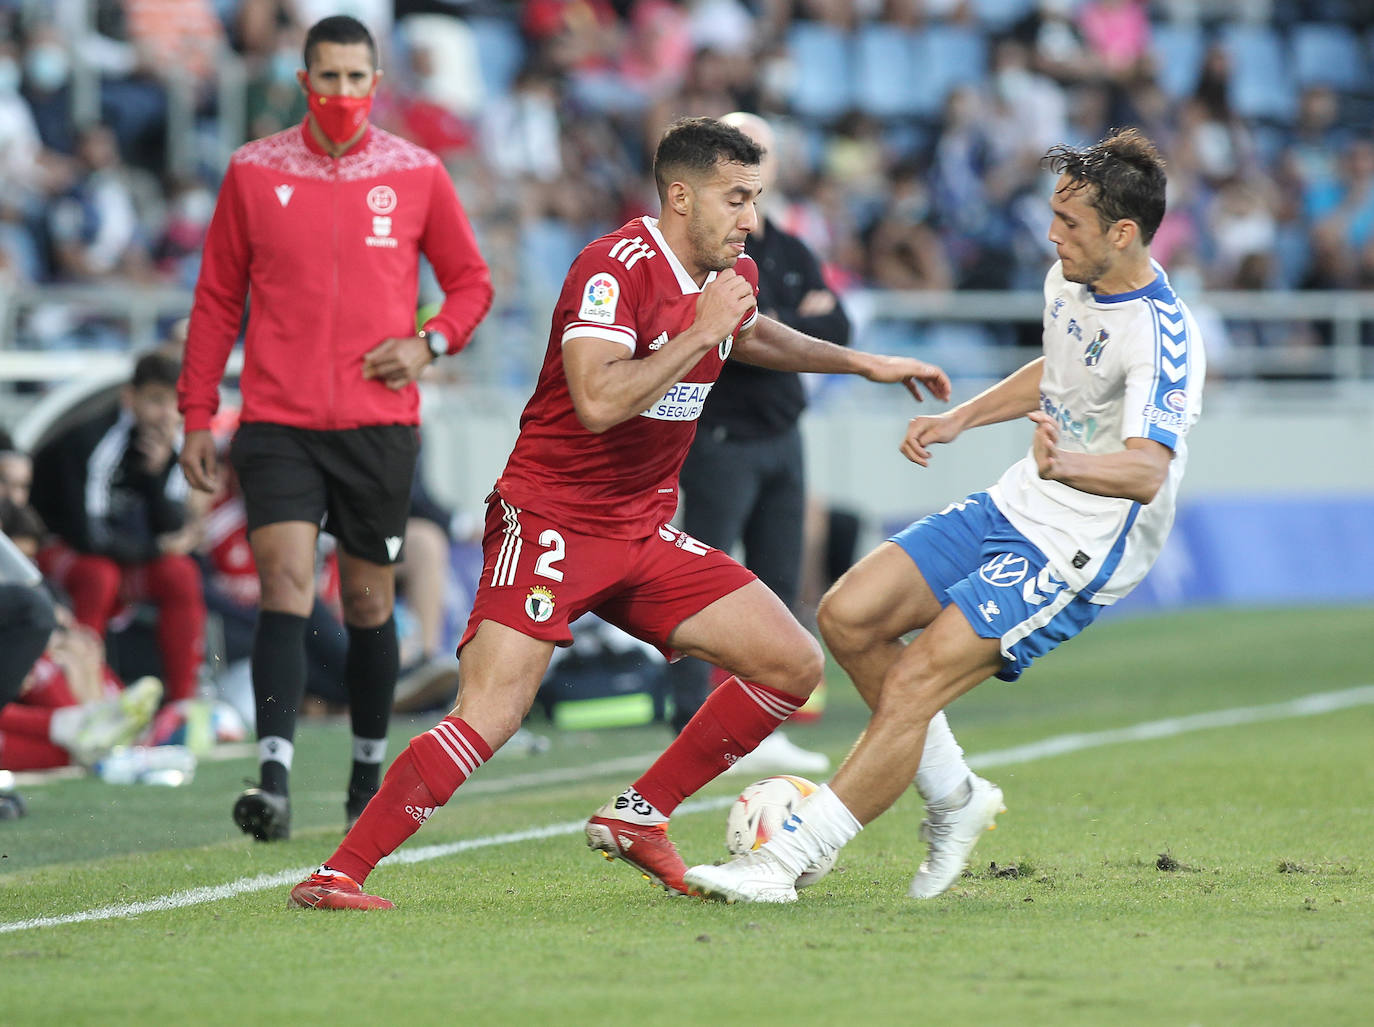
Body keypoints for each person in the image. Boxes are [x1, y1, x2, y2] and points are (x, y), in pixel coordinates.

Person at [288, 115, 949, 910]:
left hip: (641, 527)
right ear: (680, 196)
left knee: (792, 662)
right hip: (550, 523)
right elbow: (598, 399)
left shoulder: (720, 279)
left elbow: (752, 335)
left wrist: (863, 361)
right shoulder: (612, 268)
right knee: (492, 713)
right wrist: (702, 329)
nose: (751, 218)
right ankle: (339, 873)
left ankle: (640, 814)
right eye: (737, 198)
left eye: (757, 197)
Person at [684, 128, 1207, 903]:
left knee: (918, 680)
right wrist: (963, 417)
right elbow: (1060, 368)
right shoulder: (1070, 281)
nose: (1053, 235)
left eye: (1070, 225)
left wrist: (1070, 465)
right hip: (1019, 500)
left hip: (1081, 541)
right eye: (1054, 218)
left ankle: (785, 860)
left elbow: (1147, 469)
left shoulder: (1164, 336)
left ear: (1123, 234)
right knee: (848, 615)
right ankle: (958, 796)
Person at [177, 15, 493, 842]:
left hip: (377, 427)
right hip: (276, 419)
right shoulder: (252, 171)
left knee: (365, 600)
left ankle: (363, 772)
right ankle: (273, 775)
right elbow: (215, 301)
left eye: (358, 78)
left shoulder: (417, 172)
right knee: (284, 583)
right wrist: (196, 413)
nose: (344, 93)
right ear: (302, 79)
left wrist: (426, 344)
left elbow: (470, 286)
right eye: (330, 77)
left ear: (377, 83)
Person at [665, 111, 847, 775]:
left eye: (763, 154)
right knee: (701, 583)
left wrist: (773, 326)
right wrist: (791, 325)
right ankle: (689, 719)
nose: (756, 166)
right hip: (721, 437)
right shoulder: (713, 247)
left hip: (782, 436)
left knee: (775, 585)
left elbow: (840, 323)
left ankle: (761, 726)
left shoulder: (791, 248)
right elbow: (734, 338)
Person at [29, 351, 207, 708]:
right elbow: (87, 536)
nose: (168, 413)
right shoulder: (92, 439)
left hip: (114, 551)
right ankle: (84, 702)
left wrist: (156, 476)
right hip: (53, 548)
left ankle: (182, 706)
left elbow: (170, 524)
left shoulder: (171, 443)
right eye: (157, 400)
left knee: (181, 574)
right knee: (99, 576)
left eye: (177, 402)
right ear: (130, 397)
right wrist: (158, 549)